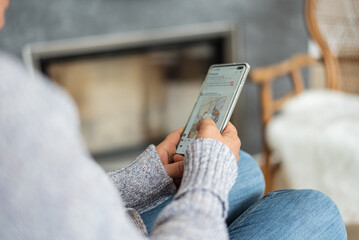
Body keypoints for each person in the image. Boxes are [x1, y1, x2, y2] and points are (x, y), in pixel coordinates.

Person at [0, 1, 347, 239]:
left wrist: (144, 178)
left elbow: (61, 199)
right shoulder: (21, 108)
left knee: (242, 166)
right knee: (316, 209)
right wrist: (207, 173)